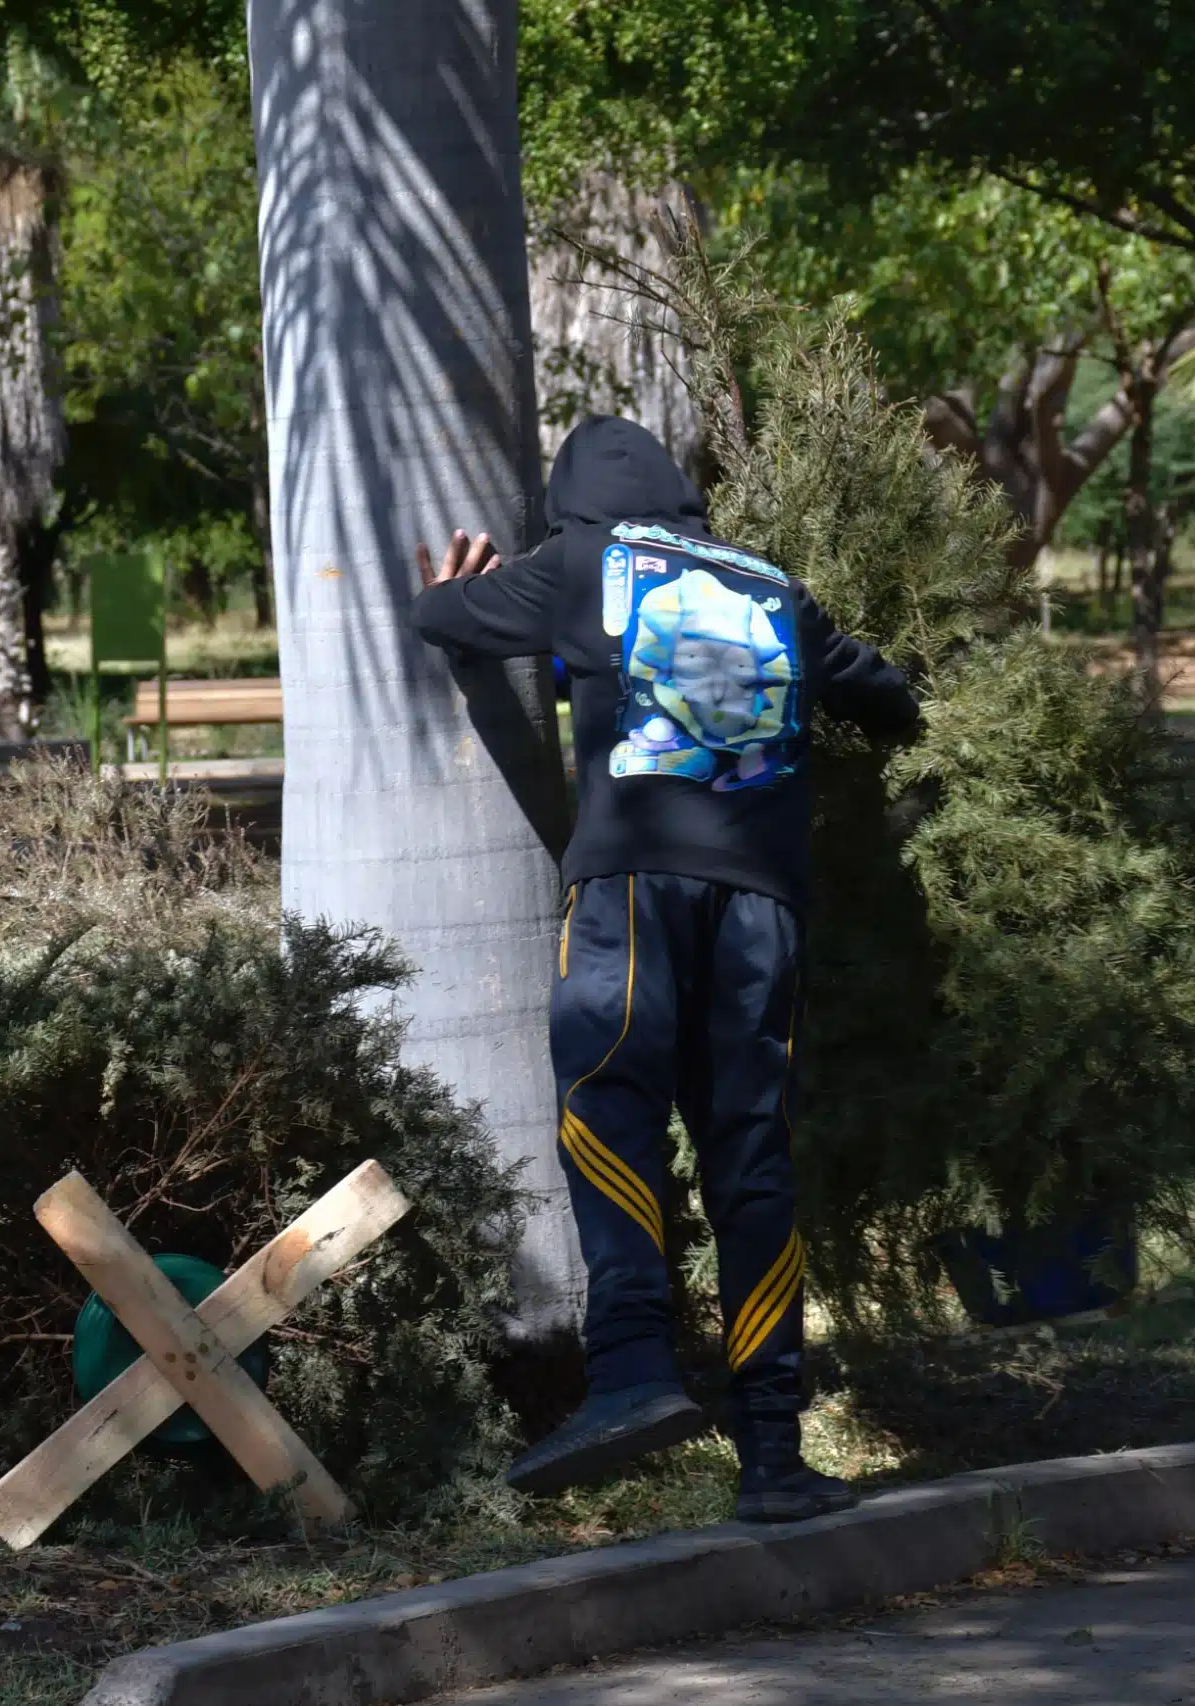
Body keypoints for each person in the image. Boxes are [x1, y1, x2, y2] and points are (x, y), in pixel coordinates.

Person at [409, 414, 919, 1523]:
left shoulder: (581, 563)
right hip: (763, 913)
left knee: (610, 1108)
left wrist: (466, 585)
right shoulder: (773, 584)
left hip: (632, 892)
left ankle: (633, 1372)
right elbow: (889, 698)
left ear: (574, 504)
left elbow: (440, 614)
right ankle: (774, 1453)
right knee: (750, 1158)